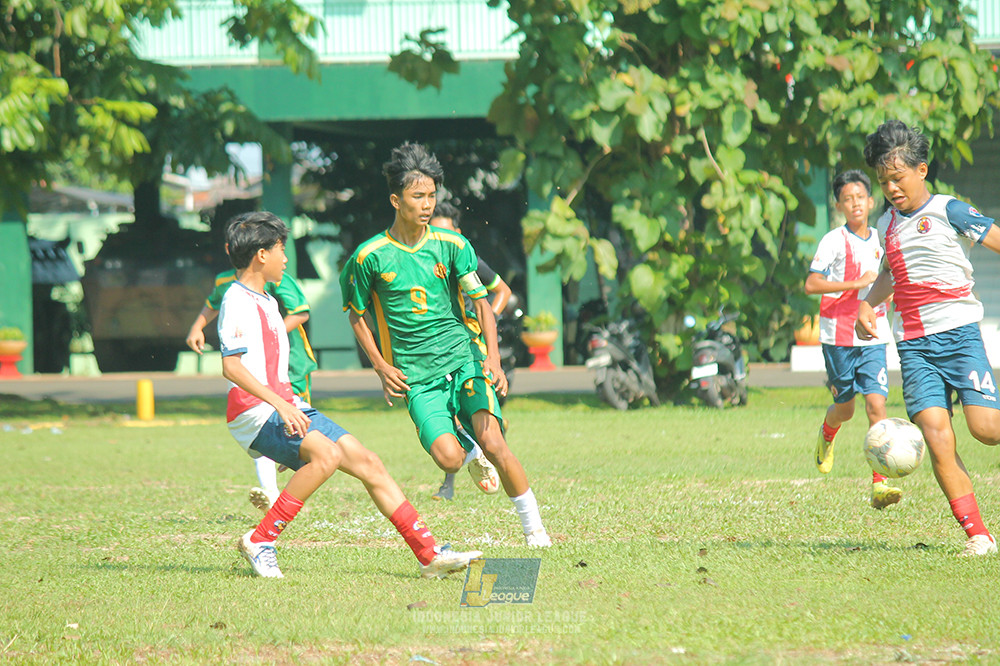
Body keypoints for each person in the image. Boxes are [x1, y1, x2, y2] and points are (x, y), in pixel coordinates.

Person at [219, 210, 482, 578]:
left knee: (368, 462)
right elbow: (231, 367)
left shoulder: (266, 300)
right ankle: (260, 540)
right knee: (326, 456)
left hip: (285, 406)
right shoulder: (236, 300)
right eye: (280, 249)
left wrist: (290, 420)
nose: (286, 258)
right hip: (256, 412)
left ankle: (429, 555)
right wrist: (282, 409)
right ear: (261, 255)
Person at [340, 142, 551, 547]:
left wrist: (493, 359)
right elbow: (356, 314)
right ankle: (468, 454)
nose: (427, 204)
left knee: (495, 442)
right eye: (418, 196)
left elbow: (483, 302)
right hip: (417, 376)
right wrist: (381, 367)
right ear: (396, 200)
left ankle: (535, 529)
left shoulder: (451, 244)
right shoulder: (369, 257)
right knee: (448, 458)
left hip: (463, 358)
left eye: (432, 196)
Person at [856, 120, 1000, 556]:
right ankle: (979, 536)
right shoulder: (886, 224)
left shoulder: (949, 210)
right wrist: (867, 304)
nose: (891, 188)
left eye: (897, 178)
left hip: (960, 337)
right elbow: (889, 274)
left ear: (921, 170)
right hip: (914, 347)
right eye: (883, 181)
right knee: (938, 439)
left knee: (987, 430)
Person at [186, 253, 319, 514]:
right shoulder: (227, 284)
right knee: (268, 423)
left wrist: (268, 333)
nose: (283, 257)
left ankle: (290, 484)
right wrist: (197, 327)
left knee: (300, 432)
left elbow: (300, 312)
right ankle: (272, 494)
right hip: (257, 370)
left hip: (292, 364)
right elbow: (212, 303)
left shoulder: (275, 277)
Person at [805, 169, 901, 509]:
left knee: (876, 405)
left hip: (873, 334)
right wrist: (856, 284)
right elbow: (811, 284)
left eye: (860, 197)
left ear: (871, 202)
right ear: (839, 206)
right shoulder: (833, 241)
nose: (855, 203)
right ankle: (827, 434)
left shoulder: (883, 239)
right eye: (848, 199)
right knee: (845, 409)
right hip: (838, 335)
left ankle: (880, 482)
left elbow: (891, 278)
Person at [427, 200, 512, 501]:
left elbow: (502, 291)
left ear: (458, 234)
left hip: (472, 346)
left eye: (445, 233)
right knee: (447, 413)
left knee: (466, 414)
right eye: (433, 233)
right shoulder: (422, 262)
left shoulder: (467, 258)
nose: (439, 240)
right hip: (438, 347)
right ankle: (451, 481)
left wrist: (489, 320)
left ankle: (455, 480)